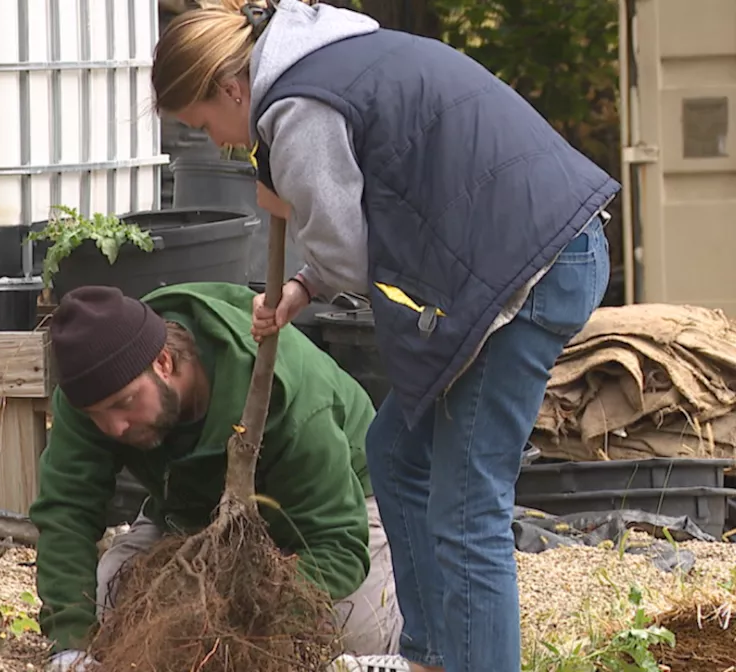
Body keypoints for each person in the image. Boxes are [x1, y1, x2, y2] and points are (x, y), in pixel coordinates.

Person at [149, 3, 615, 672]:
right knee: (395, 452)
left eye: (205, 124)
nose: (220, 142)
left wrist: (287, 200)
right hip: (515, 256)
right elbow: (388, 203)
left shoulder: (297, 106)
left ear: (230, 87)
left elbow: (349, 251)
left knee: (466, 507)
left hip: (524, 274)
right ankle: (428, 656)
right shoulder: (329, 61)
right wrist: (303, 287)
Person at [30, 282, 408, 672]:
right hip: (195, 512)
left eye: (124, 404)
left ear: (164, 362)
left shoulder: (287, 395)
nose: (115, 427)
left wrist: (234, 620)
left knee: (356, 633)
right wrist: (70, 646)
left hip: (336, 505)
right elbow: (66, 512)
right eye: (97, 416)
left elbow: (339, 547)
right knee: (111, 598)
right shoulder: (95, 388)